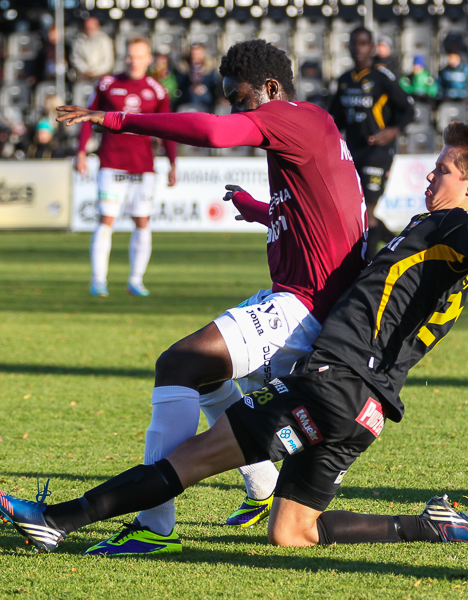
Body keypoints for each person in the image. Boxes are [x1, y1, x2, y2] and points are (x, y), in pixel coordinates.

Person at [0, 121, 468, 555]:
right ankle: (427, 526)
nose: (434, 174)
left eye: (446, 169)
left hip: (330, 386)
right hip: (364, 413)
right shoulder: (424, 236)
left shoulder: (458, 228)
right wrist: (268, 213)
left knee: (192, 460)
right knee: (293, 532)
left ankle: (57, 521)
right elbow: (356, 243)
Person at [53, 38, 367, 556]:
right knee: (208, 373)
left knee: (179, 364)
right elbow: (328, 216)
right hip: (306, 297)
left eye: (239, 98)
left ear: (270, 88)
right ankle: (262, 485)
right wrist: (263, 210)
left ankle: (155, 526)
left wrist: (117, 120)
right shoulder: (309, 128)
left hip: (305, 307)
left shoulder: (292, 117)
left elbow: (215, 133)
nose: (235, 110)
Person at [76, 36, 177, 298]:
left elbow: (168, 130)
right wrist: (81, 152)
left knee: (142, 221)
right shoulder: (108, 83)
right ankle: (98, 280)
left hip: (143, 167)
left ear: (148, 59)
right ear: (125, 57)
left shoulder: (157, 90)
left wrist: (173, 162)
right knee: (105, 219)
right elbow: (88, 118)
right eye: (130, 55)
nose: (134, 61)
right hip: (112, 162)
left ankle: (136, 280)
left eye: (139, 56)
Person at [329, 26, 414, 261]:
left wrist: (392, 131)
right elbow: (334, 118)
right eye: (354, 43)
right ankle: (403, 249)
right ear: (348, 46)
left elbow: (409, 110)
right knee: (359, 213)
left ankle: (368, 264)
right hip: (353, 152)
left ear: (372, 47)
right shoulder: (345, 80)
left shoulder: (382, 77)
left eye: (364, 43)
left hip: (379, 151)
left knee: (367, 211)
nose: (359, 48)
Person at [177, 43, 219, 112]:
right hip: (188, 96)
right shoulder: (184, 68)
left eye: (198, 54)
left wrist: (203, 89)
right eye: (194, 54)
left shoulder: (210, 68)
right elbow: (180, 84)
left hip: (206, 98)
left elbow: (213, 85)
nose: (195, 56)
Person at [70, 16, 113, 82]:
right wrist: (86, 70)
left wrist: (96, 71)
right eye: (87, 28)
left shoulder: (105, 40)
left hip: (102, 76)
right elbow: (76, 58)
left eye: (92, 28)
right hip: (83, 76)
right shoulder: (78, 40)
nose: (89, 30)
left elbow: (108, 60)